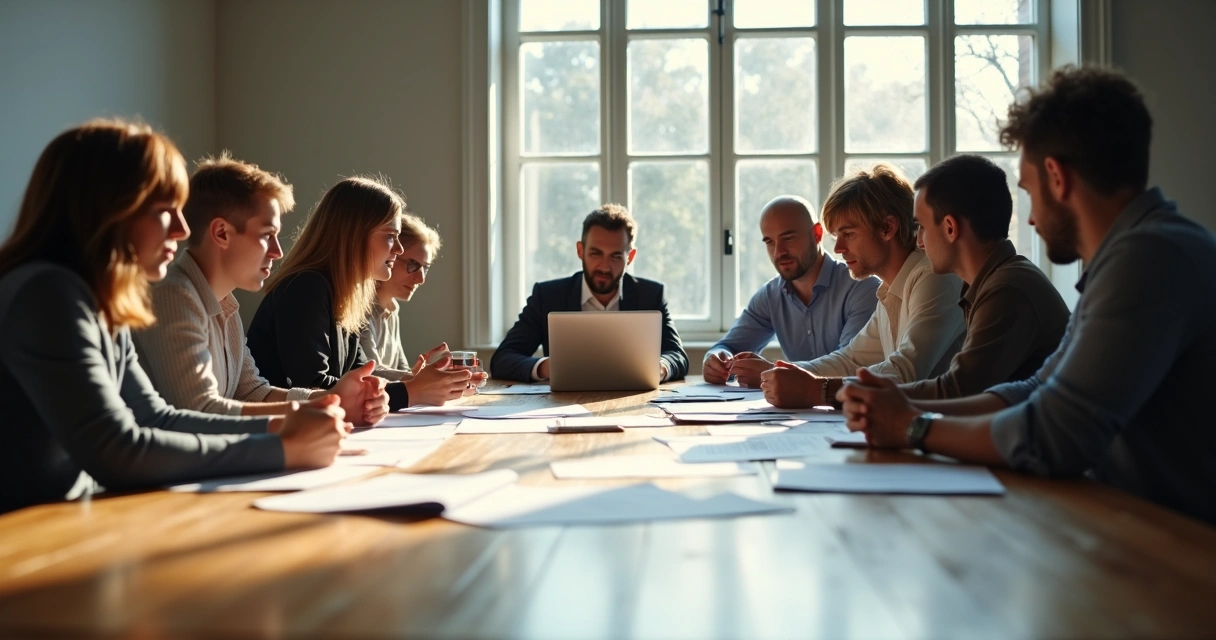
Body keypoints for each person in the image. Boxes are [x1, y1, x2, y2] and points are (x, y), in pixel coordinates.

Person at [839, 66, 1216, 525]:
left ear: (1056, 177)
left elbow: (1054, 435)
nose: (1032, 218)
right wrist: (905, 407)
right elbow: (1037, 390)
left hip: (1178, 545)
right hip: (1129, 524)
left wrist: (911, 426)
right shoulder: (1135, 253)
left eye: (1029, 191)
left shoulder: (1149, 258)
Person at [0, 120, 348, 513]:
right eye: (166, 211)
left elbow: (157, 418)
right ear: (112, 210)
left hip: (62, 518)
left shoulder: (100, 301)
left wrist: (280, 426)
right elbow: (115, 450)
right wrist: (282, 448)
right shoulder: (47, 295)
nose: (182, 230)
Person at [133, 154, 388, 424]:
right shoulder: (173, 295)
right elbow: (201, 411)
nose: (278, 252)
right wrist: (318, 411)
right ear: (221, 233)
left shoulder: (225, 303)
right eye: (267, 235)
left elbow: (253, 393)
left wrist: (331, 400)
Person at [246, 176, 472, 409]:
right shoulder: (306, 287)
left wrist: (421, 382)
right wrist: (411, 392)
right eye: (390, 237)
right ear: (354, 237)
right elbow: (313, 386)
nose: (398, 249)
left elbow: (363, 376)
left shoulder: (348, 295)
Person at [760, 164, 966, 406]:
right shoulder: (890, 289)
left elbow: (905, 372)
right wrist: (781, 374)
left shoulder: (934, 278)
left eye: (848, 234)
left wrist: (815, 389)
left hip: (947, 425)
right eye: (836, 236)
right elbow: (850, 360)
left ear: (887, 228)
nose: (838, 249)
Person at [894, 154, 1070, 400]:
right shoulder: (997, 280)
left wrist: (871, 395)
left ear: (950, 228)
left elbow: (959, 390)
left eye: (922, 226)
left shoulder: (1007, 289)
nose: (919, 242)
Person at [490, 204, 689, 383]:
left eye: (615, 256)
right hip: (563, 404)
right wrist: (547, 367)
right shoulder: (548, 296)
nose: (604, 266)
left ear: (630, 257)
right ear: (580, 250)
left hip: (634, 402)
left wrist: (659, 368)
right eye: (595, 253)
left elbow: (677, 355)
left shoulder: (651, 295)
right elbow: (503, 359)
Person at [703, 195, 879, 386]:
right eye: (769, 242)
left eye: (788, 238)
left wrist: (774, 372)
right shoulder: (770, 296)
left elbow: (851, 366)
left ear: (817, 234)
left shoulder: (863, 288)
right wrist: (715, 361)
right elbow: (727, 347)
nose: (778, 252)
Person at [359, 212, 447, 381]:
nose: (421, 279)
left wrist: (429, 374)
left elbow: (402, 370)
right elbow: (368, 372)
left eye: (425, 268)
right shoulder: (359, 308)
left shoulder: (393, 308)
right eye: (412, 264)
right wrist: (426, 378)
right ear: (388, 256)